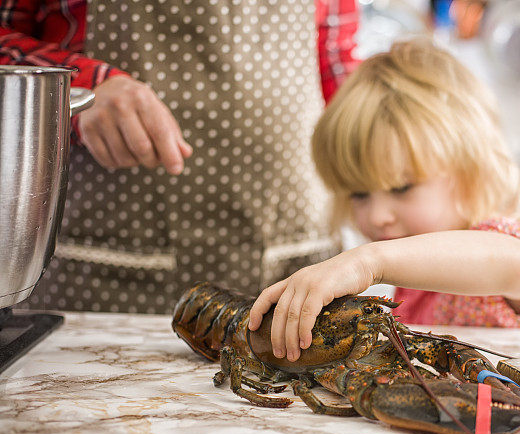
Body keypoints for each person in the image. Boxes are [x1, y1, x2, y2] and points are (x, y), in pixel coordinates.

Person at [0, 0, 359, 313]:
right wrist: (80, 85)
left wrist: (379, 179)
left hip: (292, 243)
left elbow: (334, 59)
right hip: (104, 255)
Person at [249, 39, 520, 362]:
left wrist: (367, 262)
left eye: (402, 188)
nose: (377, 216)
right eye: (359, 194)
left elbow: (515, 261)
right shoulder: (414, 281)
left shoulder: (497, 248)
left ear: (472, 168)